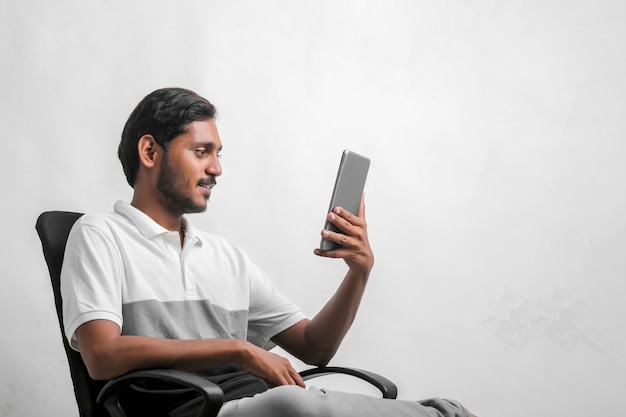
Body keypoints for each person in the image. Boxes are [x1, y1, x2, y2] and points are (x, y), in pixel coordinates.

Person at [61, 87, 475, 417]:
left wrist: (359, 274)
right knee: (296, 403)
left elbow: (315, 347)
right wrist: (240, 348)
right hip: (195, 410)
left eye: (218, 154)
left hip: (261, 405)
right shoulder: (99, 235)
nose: (217, 169)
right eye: (202, 151)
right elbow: (103, 356)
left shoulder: (225, 257)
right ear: (150, 152)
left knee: (299, 402)